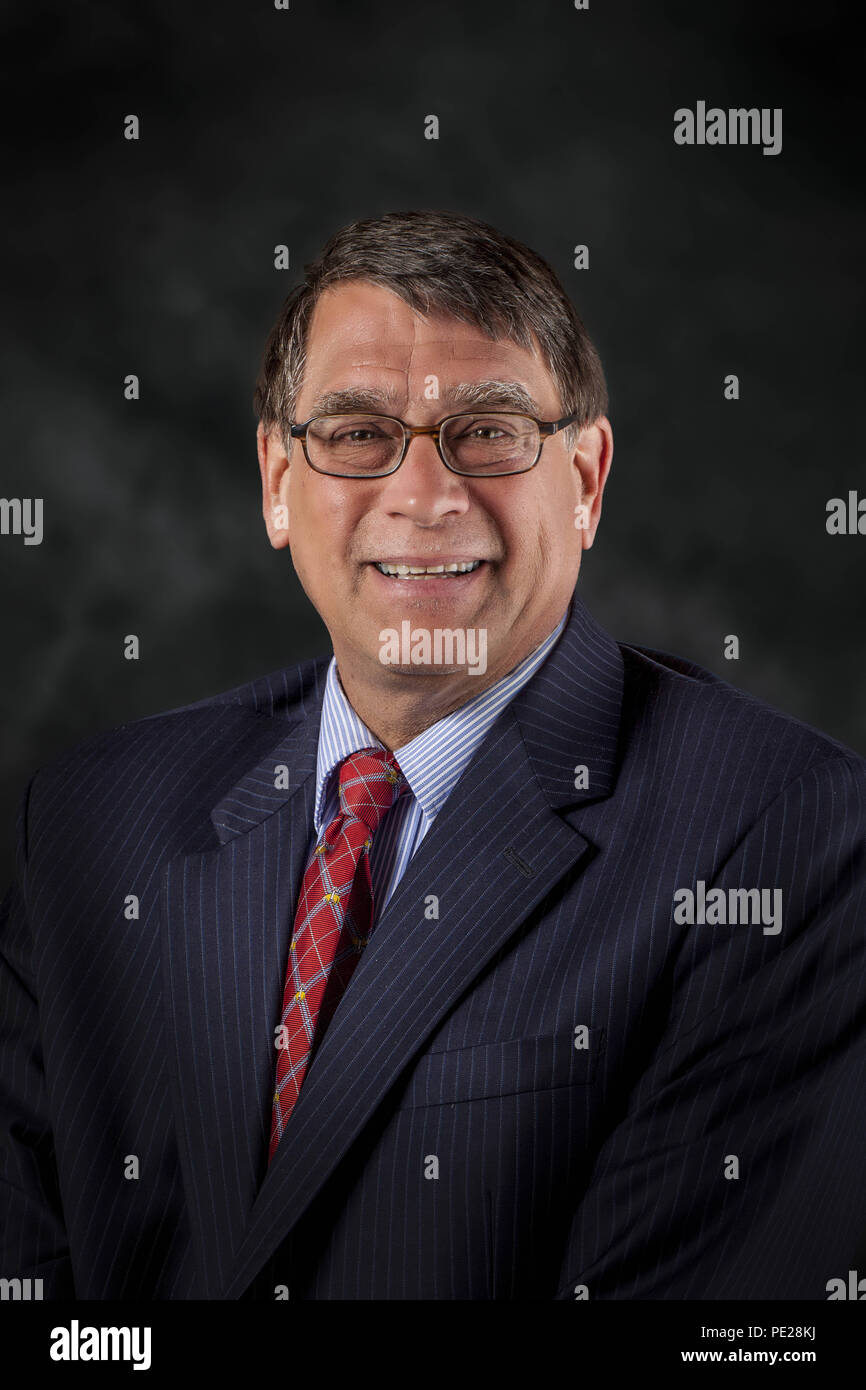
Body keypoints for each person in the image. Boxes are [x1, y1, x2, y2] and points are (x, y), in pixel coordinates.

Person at [1, 209, 864, 1301]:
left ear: (585, 480)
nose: (424, 494)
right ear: (277, 481)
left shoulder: (781, 837)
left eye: (490, 430)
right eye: (356, 432)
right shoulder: (92, 820)